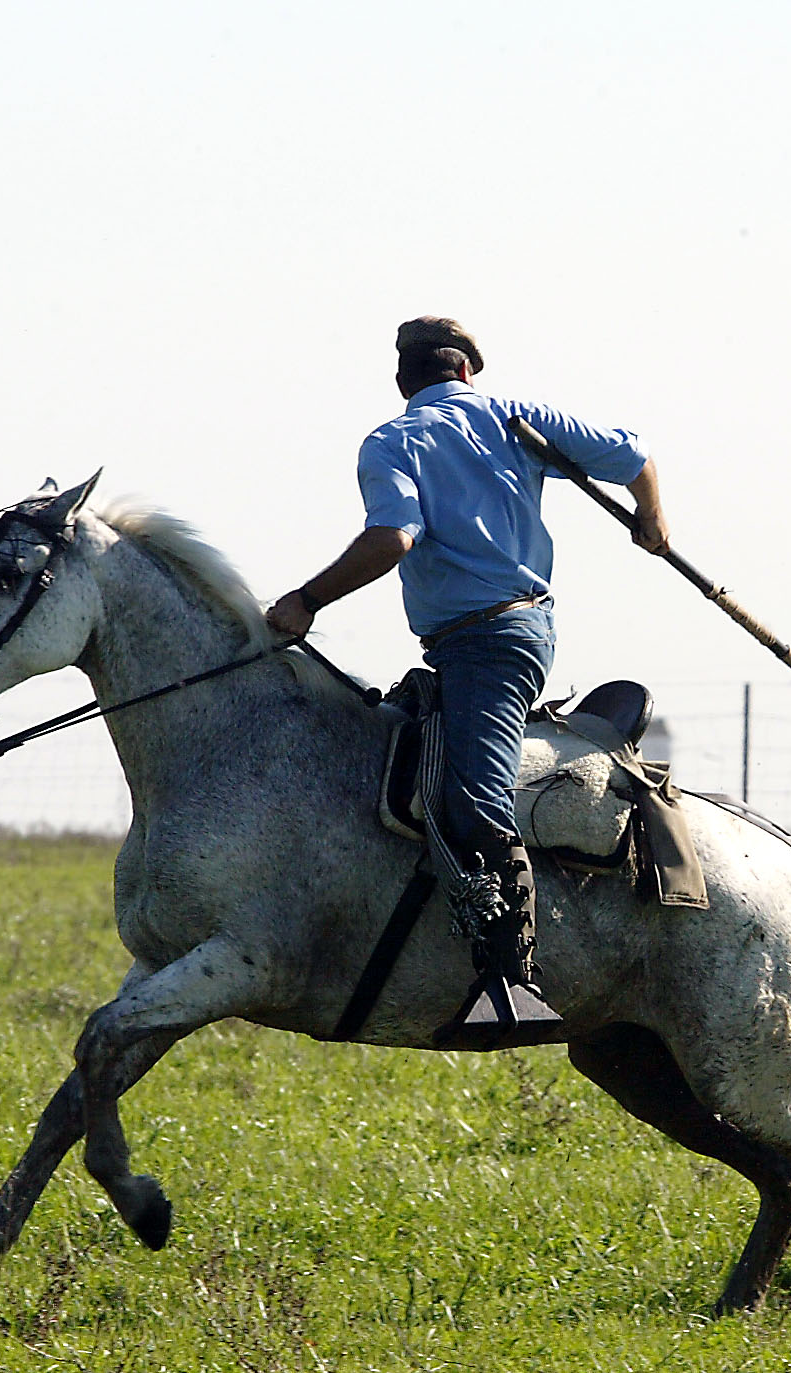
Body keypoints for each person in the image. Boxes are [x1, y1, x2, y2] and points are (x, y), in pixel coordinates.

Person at [265, 316, 667, 1029]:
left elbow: (393, 538)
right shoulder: (515, 417)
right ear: (465, 371)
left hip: (488, 642)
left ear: (403, 381)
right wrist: (652, 519)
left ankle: (514, 979)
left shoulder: (393, 440)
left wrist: (306, 600)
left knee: (473, 798)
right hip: (498, 634)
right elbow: (633, 455)